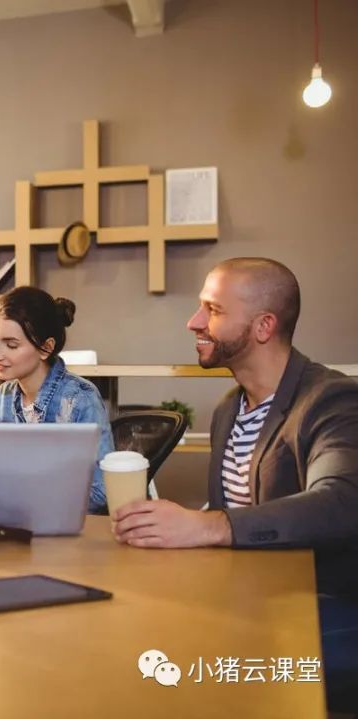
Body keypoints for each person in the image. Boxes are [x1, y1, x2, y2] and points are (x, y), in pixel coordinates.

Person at [112, 258, 358, 710]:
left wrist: (208, 526)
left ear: (264, 326)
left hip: (327, 603)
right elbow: (235, 514)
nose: (194, 322)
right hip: (256, 599)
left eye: (213, 310)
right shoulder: (229, 409)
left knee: (185, 658)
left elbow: (340, 503)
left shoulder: (332, 399)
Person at [0, 286, 113, 514]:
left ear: (45, 348)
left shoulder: (81, 399)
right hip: (13, 522)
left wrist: (25, 493)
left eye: (11, 345)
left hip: (66, 528)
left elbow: (101, 492)